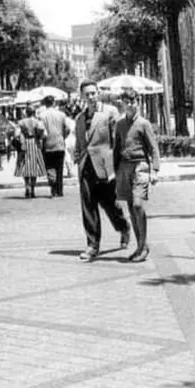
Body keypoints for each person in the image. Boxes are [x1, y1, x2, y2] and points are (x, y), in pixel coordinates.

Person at [73, 80, 131, 262]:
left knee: (111, 205)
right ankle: (92, 245)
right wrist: (77, 158)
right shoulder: (80, 118)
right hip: (86, 167)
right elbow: (79, 143)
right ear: (81, 96)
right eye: (87, 94)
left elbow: (118, 140)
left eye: (93, 93)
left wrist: (116, 167)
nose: (90, 97)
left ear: (98, 93)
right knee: (88, 206)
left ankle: (123, 227)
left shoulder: (109, 112)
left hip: (106, 167)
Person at [114, 90, 161, 262]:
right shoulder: (119, 125)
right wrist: (116, 171)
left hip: (140, 166)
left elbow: (154, 148)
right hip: (124, 167)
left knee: (138, 205)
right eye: (127, 101)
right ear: (123, 103)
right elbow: (117, 149)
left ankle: (142, 245)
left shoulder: (144, 124)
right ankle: (141, 246)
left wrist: (155, 170)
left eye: (134, 101)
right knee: (131, 209)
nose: (131, 104)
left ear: (138, 102)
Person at [38, 95, 71, 197]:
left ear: (45, 104)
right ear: (54, 103)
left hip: (47, 144)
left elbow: (40, 130)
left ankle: (52, 182)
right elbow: (68, 129)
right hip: (59, 143)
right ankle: (59, 190)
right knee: (59, 168)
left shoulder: (42, 116)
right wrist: (63, 137)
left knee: (49, 166)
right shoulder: (61, 115)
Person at [15, 106, 48, 198]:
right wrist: (39, 137)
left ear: (26, 112)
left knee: (25, 166)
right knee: (34, 167)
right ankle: (33, 188)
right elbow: (44, 134)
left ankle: (27, 186)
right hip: (35, 144)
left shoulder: (21, 122)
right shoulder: (38, 122)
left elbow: (16, 134)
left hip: (24, 145)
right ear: (34, 113)